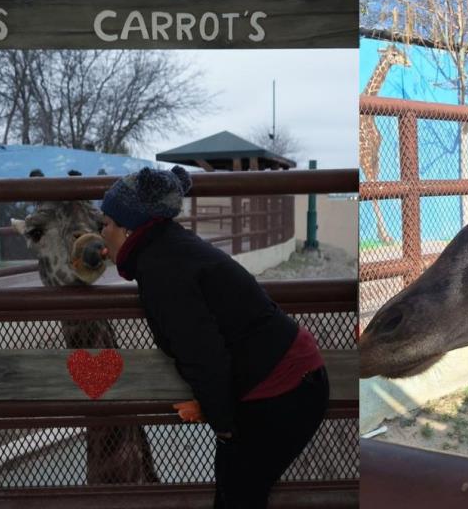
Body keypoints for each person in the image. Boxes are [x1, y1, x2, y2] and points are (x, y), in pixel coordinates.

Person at [99, 165, 328, 509]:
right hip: (288, 381)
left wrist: (224, 427)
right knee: (236, 493)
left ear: (128, 228)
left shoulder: (162, 267)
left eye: (105, 224)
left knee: (238, 496)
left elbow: (202, 353)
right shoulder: (169, 249)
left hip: (283, 390)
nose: (101, 233)